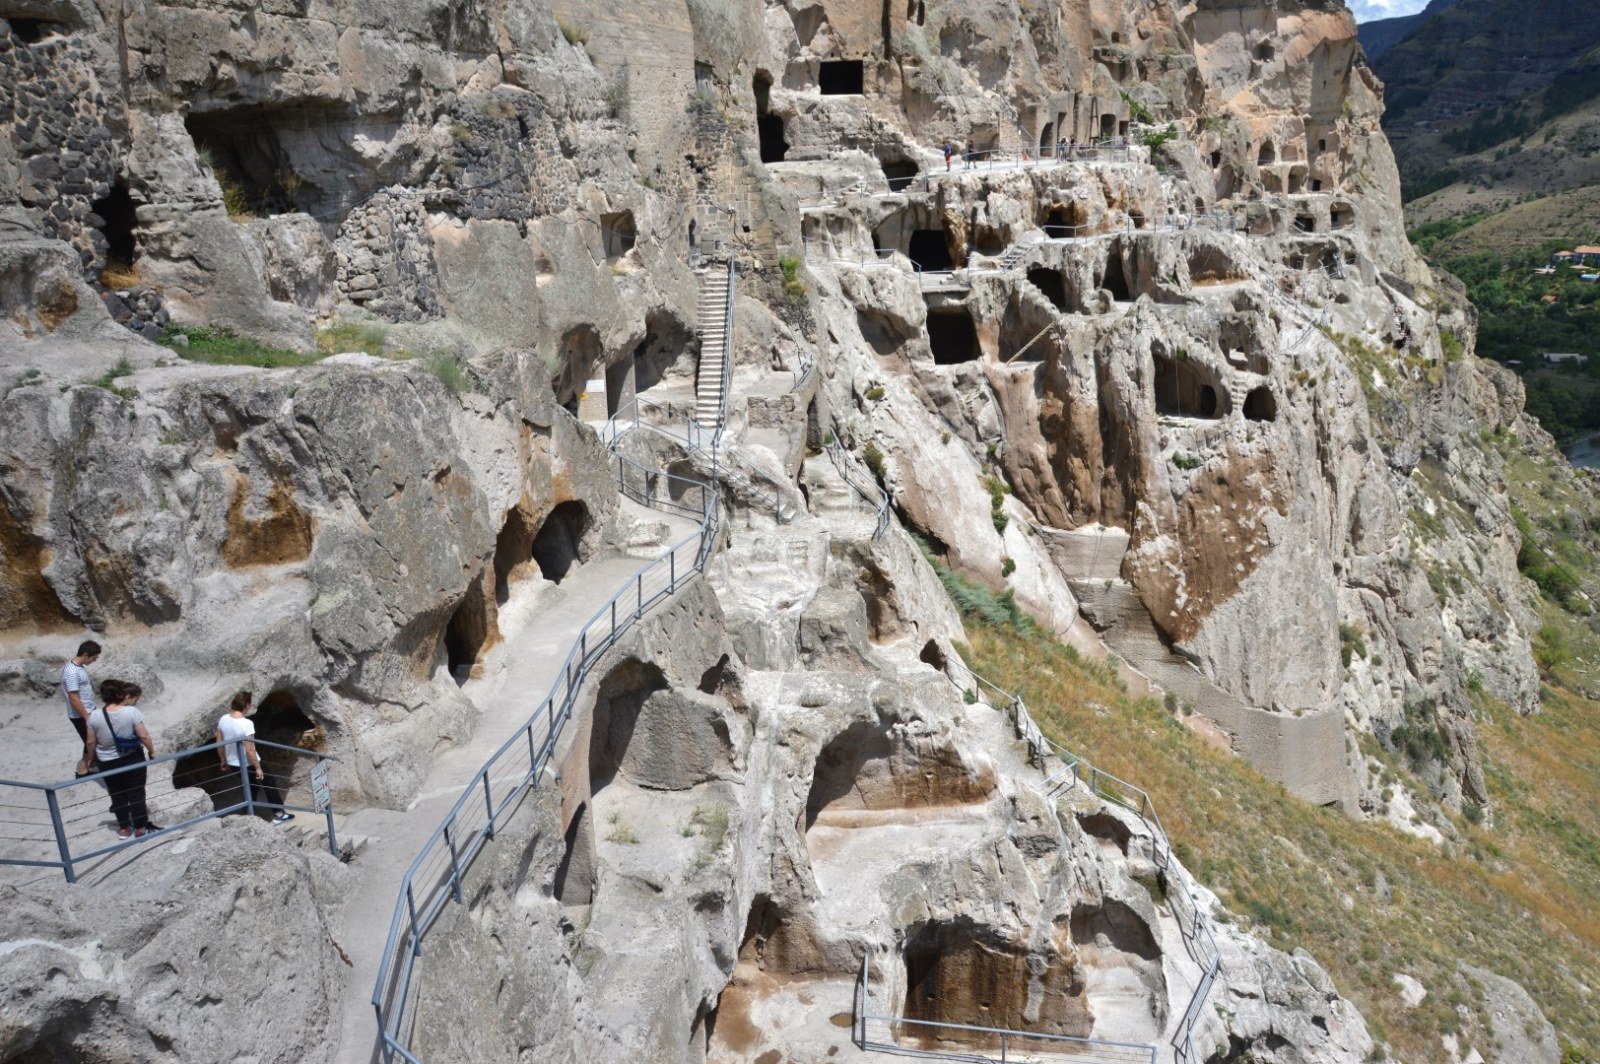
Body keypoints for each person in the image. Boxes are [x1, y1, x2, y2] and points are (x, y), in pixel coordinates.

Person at [86, 680, 158, 839]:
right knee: (137, 794)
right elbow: (143, 735)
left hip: (107, 762)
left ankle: (124, 828)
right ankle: (140, 828)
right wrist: (152, 751)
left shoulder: (95, 716)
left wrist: (90, 760)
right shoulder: (131, 712)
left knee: (117, 794)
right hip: (132, 758)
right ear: (121, 694)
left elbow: (91, 742)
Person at [217, 691, 293, 825]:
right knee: (269, 782)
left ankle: (247, 815)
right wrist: (258, 767)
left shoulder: (223, 719)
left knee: (251, 786)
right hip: (248, 762)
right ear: (247, 705)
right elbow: (250, 750)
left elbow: (219, 743)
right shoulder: (246, 724)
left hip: (233, 763)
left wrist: (223, 759)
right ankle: (278, 814)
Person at [62, 640, 101, 776]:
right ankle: (83, 770)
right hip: (81, 714)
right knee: (89, 741)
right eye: (94, 658)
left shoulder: (76, 667)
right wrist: (87, 717)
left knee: (93, 739)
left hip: (87, 711)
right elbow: (73, 698)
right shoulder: (72, 672)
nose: (95, 660)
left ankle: (93, 760)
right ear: (85, 655)